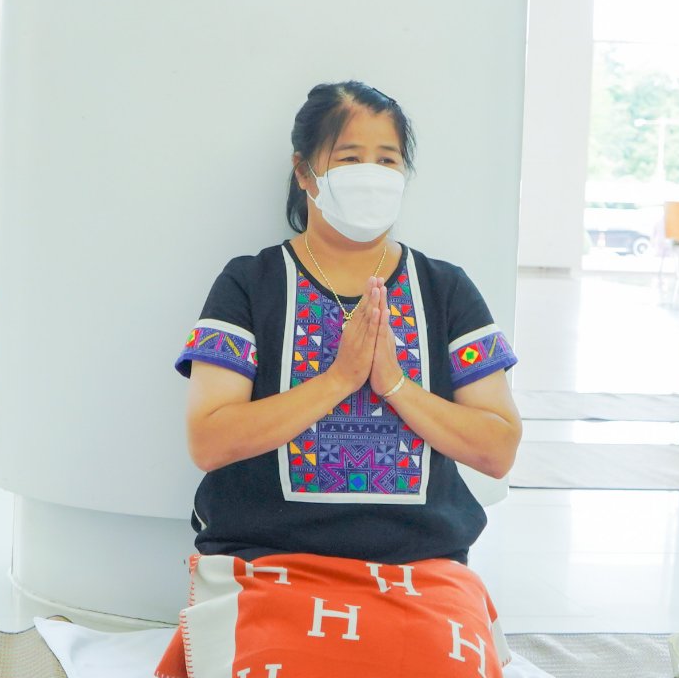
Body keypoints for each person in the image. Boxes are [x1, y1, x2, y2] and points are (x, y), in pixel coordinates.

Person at [176, 81, 522, 566]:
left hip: (420, 563)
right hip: (265, 557)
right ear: (305, 171)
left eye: (387, 160)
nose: (371, 175)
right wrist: (339, 379)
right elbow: (209, 442)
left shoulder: (445, 288)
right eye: (350, 158)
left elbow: (498, 450)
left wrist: (395, 384)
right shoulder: (250, 283)